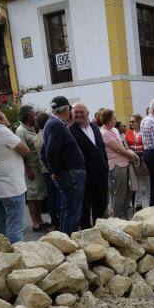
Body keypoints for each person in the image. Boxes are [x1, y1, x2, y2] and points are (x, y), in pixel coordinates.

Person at [42, 96, 86, 236]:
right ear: (66, 109)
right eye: (71, 110)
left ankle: (65, 240)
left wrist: (54, 171)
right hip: (70, 173)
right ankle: (70, 242)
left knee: (67, 207)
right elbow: (50, 152)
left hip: (68, 172)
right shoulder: (56, 124)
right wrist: (56, 172)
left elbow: (45, 152)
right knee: (72, 209)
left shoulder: (52, 123)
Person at [0, 94, 29, 242]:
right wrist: (6, 123)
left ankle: (0, 258)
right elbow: (24, 150)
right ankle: (16, 261)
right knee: (15, 228)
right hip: (11, 186)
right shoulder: (0, 129)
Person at [70, 103, 109, 227]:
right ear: (72, 113)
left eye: (81, 111)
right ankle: (87, 232)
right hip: (84, 175)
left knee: (101, 203)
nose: (79, 114)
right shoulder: (70, 130)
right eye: (76, 112)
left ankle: (100, 229)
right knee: (85, 207)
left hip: (101, 173)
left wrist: (106, 165)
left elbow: (101, 148)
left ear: (88, 113)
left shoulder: (94, 127)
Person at [16, 106, 49, 232]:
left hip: (37, 166)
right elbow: (20, 152)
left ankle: (40, 220)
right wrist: (27, 169)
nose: (35, 116)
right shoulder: (21, 131)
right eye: (34, 114)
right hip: (31, 168)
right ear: (28, 116)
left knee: (38, 195)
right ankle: (35, 222)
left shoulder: (30, 129)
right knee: (32, 196)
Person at [99, 109, 136, 220]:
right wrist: (132, 155)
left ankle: (123, 214)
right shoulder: (104, 133)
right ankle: (119, 217)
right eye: (114, 118)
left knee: (127, 191)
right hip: (116, 166)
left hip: (122, 164)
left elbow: (122, 145)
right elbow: (119, 150)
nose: (116, 120)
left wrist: (129, 153)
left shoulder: (114, 130)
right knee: (120, 193)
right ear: (108, 120)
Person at [35, 112, 59, 230]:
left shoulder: (36, 137)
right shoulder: (47, 134)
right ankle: (57, 219)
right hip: (51, 168)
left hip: (43, 169)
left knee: (50, 195)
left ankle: (54, 220)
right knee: (58, 195)